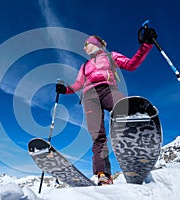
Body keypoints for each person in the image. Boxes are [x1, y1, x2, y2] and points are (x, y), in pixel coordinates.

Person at [56, 27, 157, 185]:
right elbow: (77, 85)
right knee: (97, 135)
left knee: (126, 109)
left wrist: (146, 45)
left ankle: (137, 155)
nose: (84, 47)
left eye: (87, 43)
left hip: (108, 90)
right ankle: (103, 174)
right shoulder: (84, 66)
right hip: (89, 97)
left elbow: (131, 64)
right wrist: (66, 89)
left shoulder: (111, 56)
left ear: (96, 44)